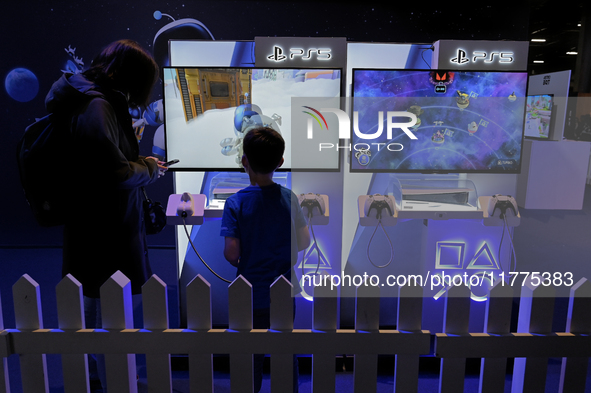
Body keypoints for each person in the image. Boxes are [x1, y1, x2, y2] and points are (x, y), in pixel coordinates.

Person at [45, 39, 166, 392]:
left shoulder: (85, 99)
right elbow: (111, 173)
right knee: (112, 309)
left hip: (93, 227)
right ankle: (119, 379)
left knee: (96, 305)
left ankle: (104, 376)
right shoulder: (99, 106)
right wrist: (147, 167)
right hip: (108, 232)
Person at [220, 127, 310, 393]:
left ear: (244, 160)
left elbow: (232, 253)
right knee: (285, 351)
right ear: (280, 162)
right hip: (286, 291)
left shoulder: (235, 203)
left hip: (250, 294)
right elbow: (304, 241)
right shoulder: (289, 198)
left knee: (250, 354)